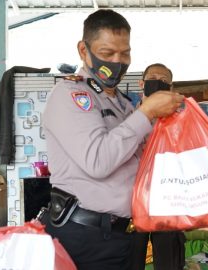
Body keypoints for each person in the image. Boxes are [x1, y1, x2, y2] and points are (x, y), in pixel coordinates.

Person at [41, 9, 184, 270]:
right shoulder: (70, 96)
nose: (118, 62)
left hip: (125, 235)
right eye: (107, 54)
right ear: (84, 50)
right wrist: (147, 112)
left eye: (125, 53)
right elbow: (98, 161)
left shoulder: (121, 104)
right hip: (86, 238)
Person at [130, 63, 185, 270]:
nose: (158, 81)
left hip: (168, 203)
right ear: (141, 83)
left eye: (163, 80)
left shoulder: (179, 122)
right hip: (132, 203)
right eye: (153, 77)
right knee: (131, 260)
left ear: (170, 88)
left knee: (168, 262)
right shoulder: (127, 117)